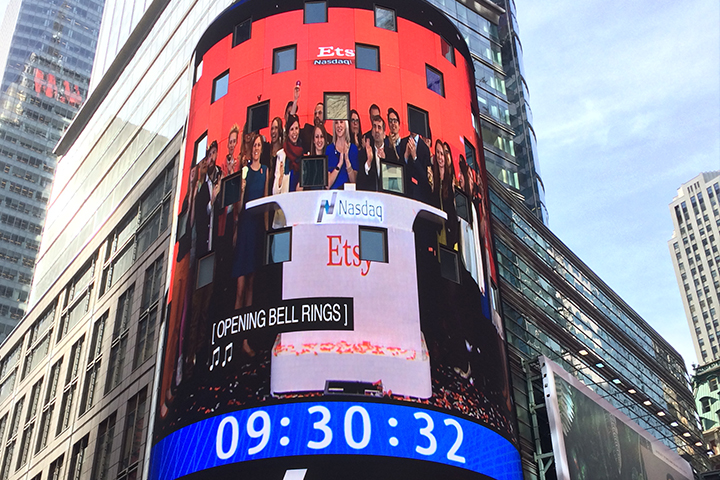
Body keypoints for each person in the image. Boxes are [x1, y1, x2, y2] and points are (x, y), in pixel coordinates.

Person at [233, 134, 269, 313]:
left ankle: (245, 339)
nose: (256, 149)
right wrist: (241, 190)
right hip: (245, 228)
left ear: (262, 149)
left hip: (256, 230)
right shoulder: (245, 171)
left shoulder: (265, 170)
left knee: (251, 286)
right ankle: (235, 336)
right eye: (254, 145)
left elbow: (264, 201)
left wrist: (266, 230)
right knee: (240, 286)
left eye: (258, 146)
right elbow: (238, 208)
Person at [357, 115, 399, 191]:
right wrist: (368, 162)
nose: (376, 130)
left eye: (379, 127)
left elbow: (394, 182)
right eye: (374, 127)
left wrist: (385, 162)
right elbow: (360, 182)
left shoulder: (391, 154)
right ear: (372, 133)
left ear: (384, 134)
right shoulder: (365, 152)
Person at [398, 114, 432, 203]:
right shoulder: (403, 142)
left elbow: (425, 176)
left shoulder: (424, 148)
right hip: (406, 190)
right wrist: (406, 155)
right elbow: (400, 168)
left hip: (419, 193)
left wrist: (414, 157)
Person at [273, 114, 303, 193]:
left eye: (296, 128)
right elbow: (274, 192)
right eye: (291, 129)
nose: (294, 132)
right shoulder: (281, 155)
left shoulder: (303, 154)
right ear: (288, 132)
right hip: (285, 199)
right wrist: (280, 179)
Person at [327, 119, 358, 189]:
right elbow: (327, 184)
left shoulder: (353, 149)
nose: (339, 125)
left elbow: (354, 181)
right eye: (336, 123)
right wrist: (339, 164)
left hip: (348, 195)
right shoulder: (329, 149)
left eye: (341, 122)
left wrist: (347, 160)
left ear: (346, 125)